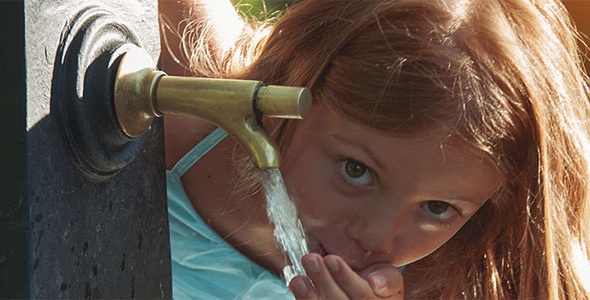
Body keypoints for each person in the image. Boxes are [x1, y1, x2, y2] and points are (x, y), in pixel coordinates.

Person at [158, 0, 590, 299]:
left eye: (437, 208)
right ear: (292, 88)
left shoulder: (442, 278)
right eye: (356, 170)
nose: (376, 238)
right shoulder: (187, 99)